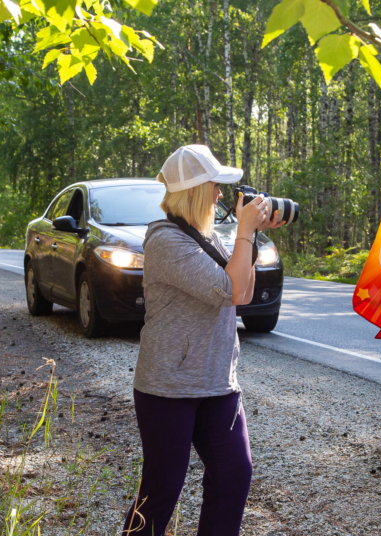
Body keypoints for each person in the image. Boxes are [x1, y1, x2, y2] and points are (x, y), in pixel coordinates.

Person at [122, 145, 281, 535]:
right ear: (194, 191)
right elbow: (230, 289)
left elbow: (243, 294)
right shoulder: (165, 241)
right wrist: (244, 231)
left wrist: (251, 236)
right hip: (168, 387)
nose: (221, 195)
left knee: (234, 474)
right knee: (161, 490)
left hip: (216, 382)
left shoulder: (205, 238)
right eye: (215, 186)